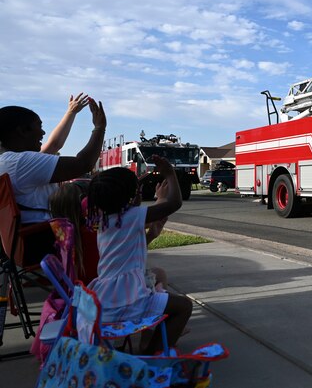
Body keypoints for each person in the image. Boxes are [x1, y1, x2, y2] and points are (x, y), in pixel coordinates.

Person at [86, 155, 191, 355]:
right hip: (126, 299)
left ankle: (150, 336)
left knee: (158, 273)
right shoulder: (132, 216)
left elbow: (128, 250)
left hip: (106, 296)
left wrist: (151, 235)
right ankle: (153, 352)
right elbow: (175, 203)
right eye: (138, 190)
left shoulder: (105, 221)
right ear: (132, 197)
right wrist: (169, 173)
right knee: (184, 306)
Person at [0, 99, 106, 264]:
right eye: (39, 126)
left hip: (22, 242)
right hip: (44, 240)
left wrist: (71, 112)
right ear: (22, 131)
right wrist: (100, 128)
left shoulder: (7, 162)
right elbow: (83, 163)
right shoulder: (20, 163)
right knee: (111, 226)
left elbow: (54, 145)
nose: (43, 133)